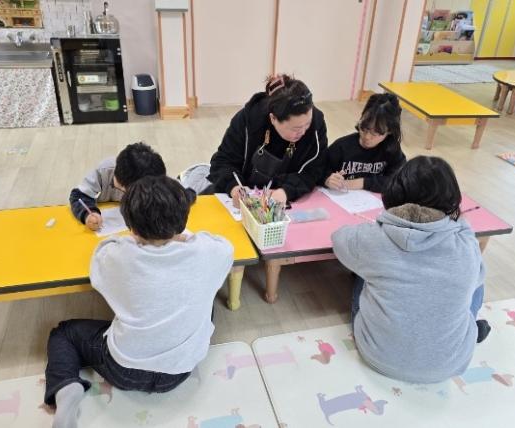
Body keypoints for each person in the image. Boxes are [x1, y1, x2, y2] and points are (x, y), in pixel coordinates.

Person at [45, 176, 234, 428]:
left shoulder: (118, 257)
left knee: (64, 333)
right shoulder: (210, 252)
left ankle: (65, 388)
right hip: (180, 371)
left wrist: (133, 239)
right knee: (206, 300)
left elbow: (101, 253)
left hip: (123, 371)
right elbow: (223, 245)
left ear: (131, 227)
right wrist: (181, 237)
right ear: (183, 219)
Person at [331, 156, 490, 384]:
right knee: (476, 281)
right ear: (453, 201)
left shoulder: (373, 238)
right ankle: (469, 330)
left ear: (393, 193)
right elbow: (478, 274)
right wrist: (460, 221)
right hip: (449, 364)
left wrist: (379, 223)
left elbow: (338, 239)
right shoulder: (465, 245)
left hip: (378, 355)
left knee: (362, 274)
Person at [188, 74, 327, 206]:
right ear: (273, 118)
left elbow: (314, 169)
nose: (303, 132)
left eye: (307, 124)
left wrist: (286, 191)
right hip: (243, 193)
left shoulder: (316, 124)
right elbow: (223, 161)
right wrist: (235, 188)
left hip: (281, 198)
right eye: (296, 128)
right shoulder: (249, 120)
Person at [69, 142, 166, 231]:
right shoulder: (105, 170)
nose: (126, 194)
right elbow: (78, 196)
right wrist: (88, 214)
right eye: (122, 189)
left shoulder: (156, 180)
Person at [322, 93, 406, 194]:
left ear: (390, 131)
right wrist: (327, 179)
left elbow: (400, 179)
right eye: (364, 128)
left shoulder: (391, 149)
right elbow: (318, 170)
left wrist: (362, 183)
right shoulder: (341, 147)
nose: (367, 137)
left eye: (375, 133)